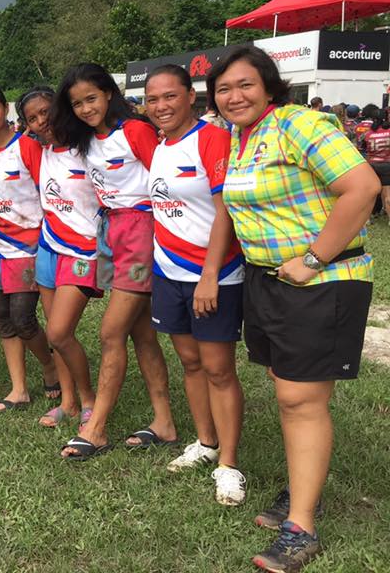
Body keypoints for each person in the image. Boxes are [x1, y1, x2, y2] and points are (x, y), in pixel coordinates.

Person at [209, 46, 379, 572]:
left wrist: (312, 257)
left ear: (269, 86)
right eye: (223, 89)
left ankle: (301, 526)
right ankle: (304, 488)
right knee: (289, 392)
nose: (234, 96)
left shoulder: (299, 125)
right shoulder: (242, 139)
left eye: (245, 85)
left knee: (300, 399)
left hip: (322, 278)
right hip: (271, 281)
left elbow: (363, 187)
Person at [50, 63, 177, 461]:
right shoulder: (88, 140)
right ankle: (164, 422)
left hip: (141, 231)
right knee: (141, 333)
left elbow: (167, 177)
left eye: (91, 98)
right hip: (112, 234)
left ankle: (97, 427)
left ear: (108, 93)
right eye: (77, 104)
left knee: (110, 333)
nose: (86, 108)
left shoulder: (134, 130)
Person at [144, 65, 247, 506]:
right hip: (168, 273)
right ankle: (205, 442)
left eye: (170, 96)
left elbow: (225, 210)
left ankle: (229, 463)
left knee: (219, 368)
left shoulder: (211, 139)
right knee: (190, 361)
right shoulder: (159, 147)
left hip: (216, 274)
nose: (161, 106)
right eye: (153, 99)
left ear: (191, 95)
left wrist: (209, 276)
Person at [0, 85, 58, 412]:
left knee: (24, 317)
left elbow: (48, 191)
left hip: (28, 246)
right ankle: (18, 388)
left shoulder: (28, 146)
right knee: (3, 317)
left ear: (4, 110)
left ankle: (49, 364)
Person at [18, 87, 99, 429]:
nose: (41, 122)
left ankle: (90, 400)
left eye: (45, 113)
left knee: (60, 332)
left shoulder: (91, 147)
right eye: (32, 118)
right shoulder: (38, 150)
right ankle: (67, 402)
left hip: (84, 250)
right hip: (48, 246)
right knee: (55, 334)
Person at [360, 110, 390, 221]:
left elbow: (361, 147)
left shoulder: (367, 134)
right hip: (387, 165)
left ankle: (367, 219)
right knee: (387, 195)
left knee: (370, 193)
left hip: (371, 165)